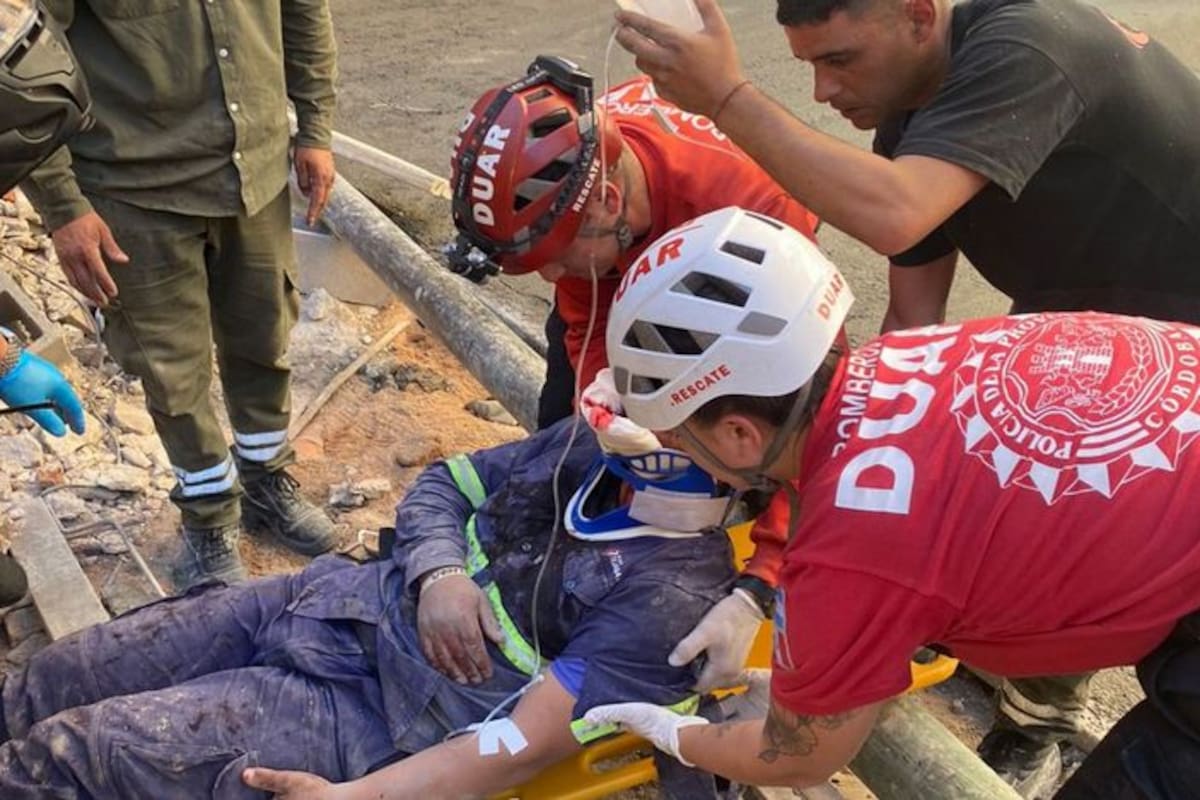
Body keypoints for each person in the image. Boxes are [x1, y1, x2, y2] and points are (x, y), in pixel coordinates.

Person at [611, 0, 1200, 789]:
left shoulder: (1030, 46)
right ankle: (1047, 688)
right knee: (1072, 512)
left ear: (920, 17)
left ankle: (1046, 721)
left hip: (1172, 315)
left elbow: (895, 213)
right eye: (810, 65)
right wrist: (849, 525)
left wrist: (725, 98)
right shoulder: (912, 127)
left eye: (841, 59)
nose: (821, 91)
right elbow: (911, 328)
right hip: (1122, 339)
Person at [0, 416, 741, 799]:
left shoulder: (671, 592)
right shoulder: (592, 442)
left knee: (81, 754)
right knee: (60, 675)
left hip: (379, 715)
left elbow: (521, 744)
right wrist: (440, 572)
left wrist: (359, 796)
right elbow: (445, 485)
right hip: (331, 603)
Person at [20, 0, 341, 587]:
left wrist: (314, 128)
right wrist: (64, 206)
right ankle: (209, 517)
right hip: (133, 188)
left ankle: (267, 479)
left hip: (257, 172)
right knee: (173, 373)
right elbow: (19, 56)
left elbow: (303, 10)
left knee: (265, 338)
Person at [447, 55, 820, 429]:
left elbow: (808, 379)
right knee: (564, 425)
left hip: (731, 264)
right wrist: (602, 421)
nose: (549, 275)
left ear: (607, 202)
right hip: (617, 244)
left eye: (553, 255)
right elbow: (589, 327)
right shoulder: (578, 186)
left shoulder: (756, 210)